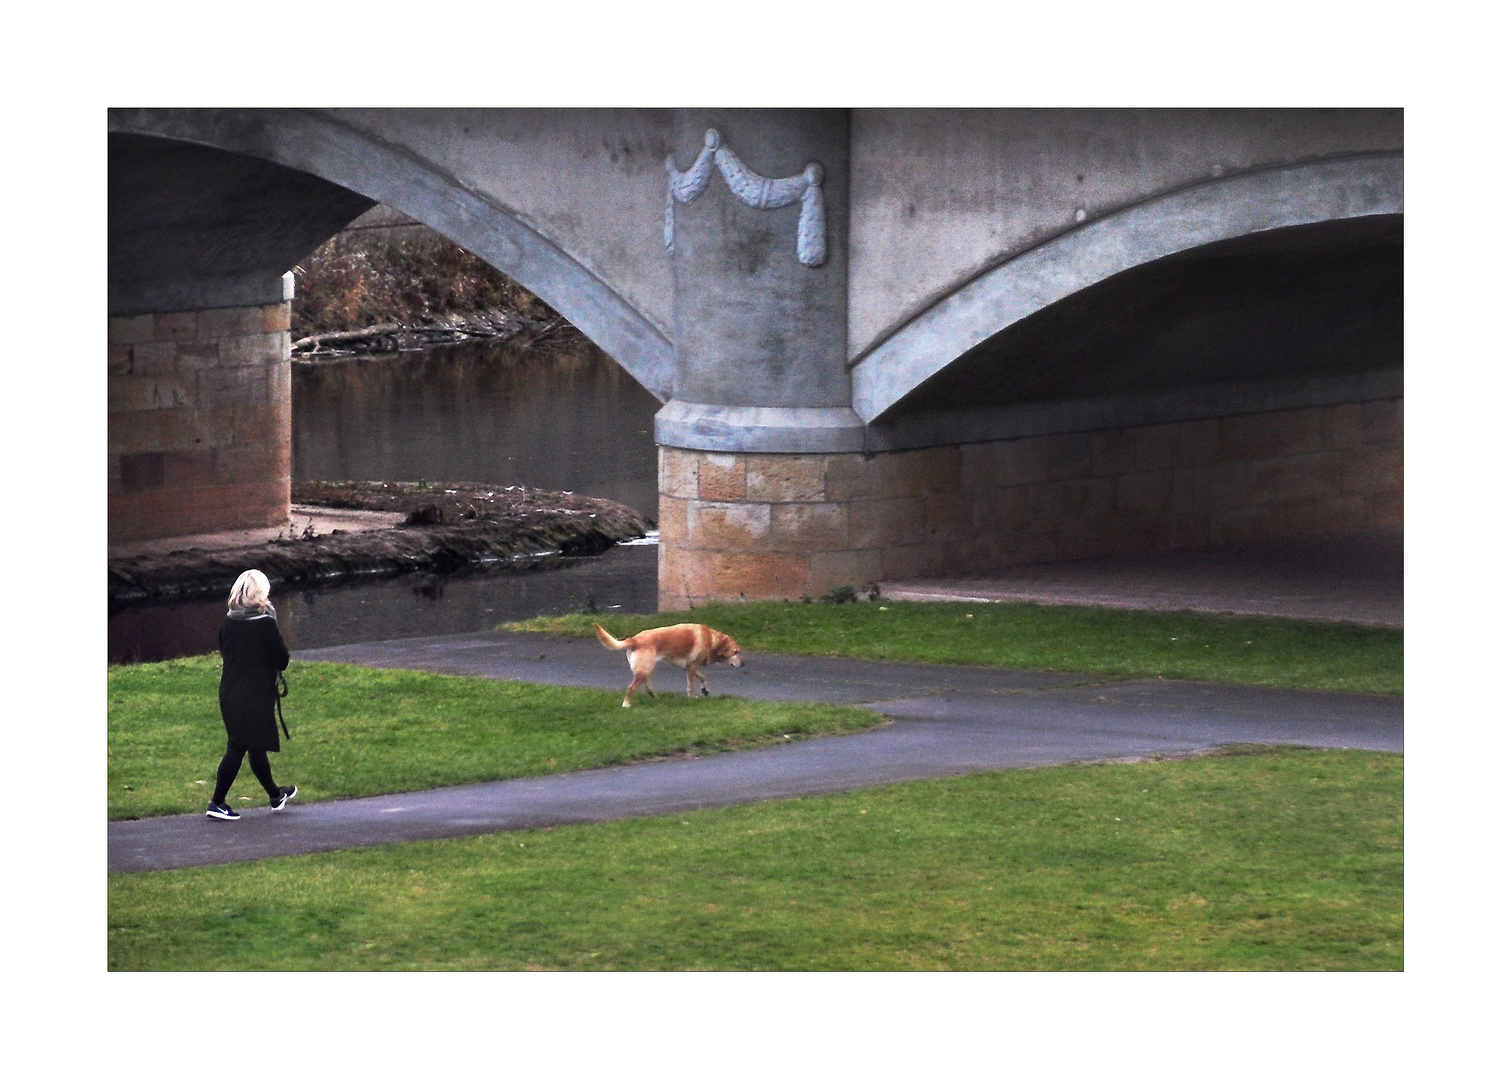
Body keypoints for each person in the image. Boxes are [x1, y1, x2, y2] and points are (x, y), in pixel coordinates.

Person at [206, 569, 297, 820]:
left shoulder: (228, 620)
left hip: (230, 691)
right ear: (260, 595)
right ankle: (216, 802)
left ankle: (275, 795)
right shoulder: (265, 623)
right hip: (254, 695)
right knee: (238, 746)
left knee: (255, 747)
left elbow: (226, 651)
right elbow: (282, 658)